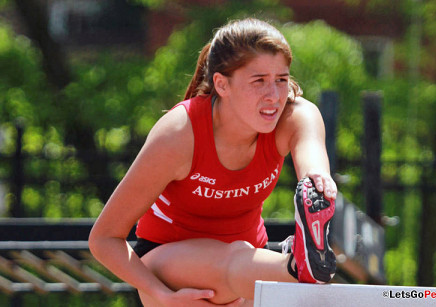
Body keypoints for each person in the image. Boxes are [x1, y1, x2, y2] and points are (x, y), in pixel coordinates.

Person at [89, 18, 337, 307]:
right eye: (259, 81)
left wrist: (318, 182)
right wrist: (161, 294)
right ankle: (297, 268)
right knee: (233, 259)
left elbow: (314, 173)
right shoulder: (179, 134)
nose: (274, 96)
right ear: (221, 84)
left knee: (243, 261)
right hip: (171, 271)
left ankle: (302, 264)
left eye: (281, 79)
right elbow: (104, 238)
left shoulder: (295, 116)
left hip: (247, 276)